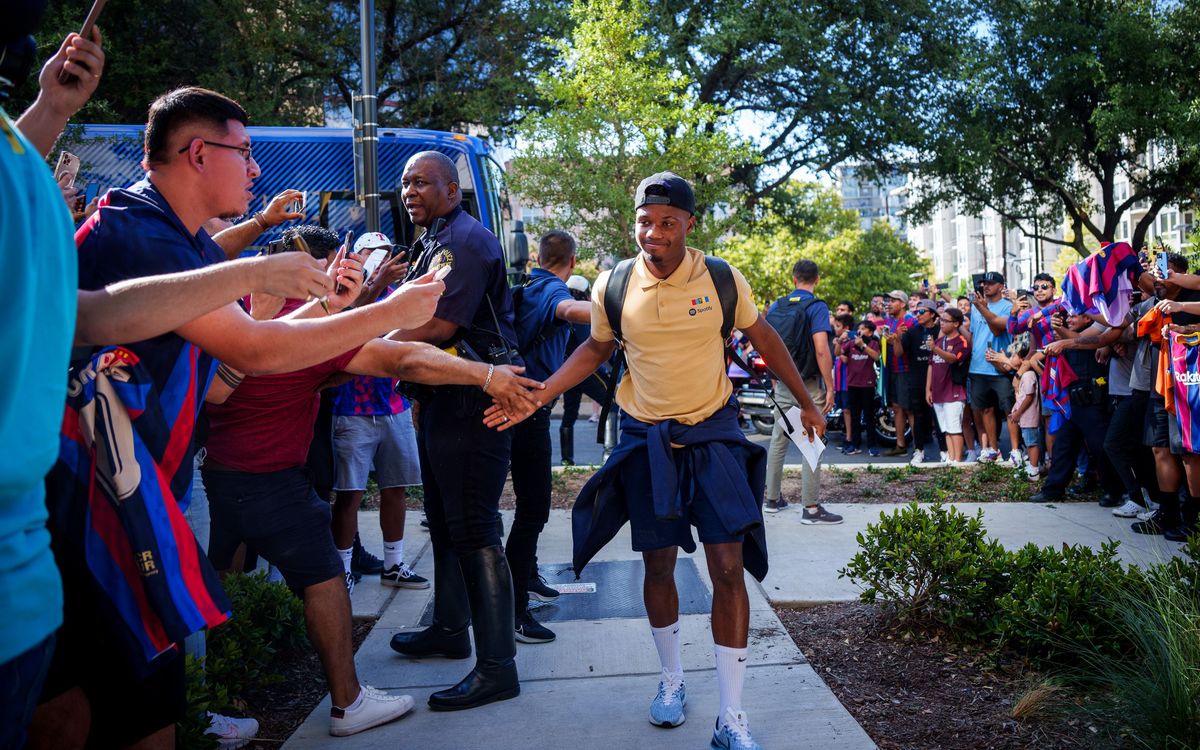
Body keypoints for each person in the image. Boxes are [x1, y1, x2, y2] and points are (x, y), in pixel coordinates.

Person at [36, 86, 448, 749]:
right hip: (98, 509)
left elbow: (244, 359)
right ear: (199, 153)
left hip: (127, 496)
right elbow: (255, 349)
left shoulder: (170, 233)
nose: (257, 170)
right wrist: (390, 311)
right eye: (246, 152)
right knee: (97, 714)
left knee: (118, 707)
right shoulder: (141, 232)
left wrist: (329, 305)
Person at [485, 172, 825, 750]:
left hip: (713, 433)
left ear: (689, 224)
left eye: (668, 222)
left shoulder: (720, 278)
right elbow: (596, 347)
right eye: (646, 221)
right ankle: (671, 680)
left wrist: (808, 403)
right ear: (635, 222)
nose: (655, 232)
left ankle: (732, 715)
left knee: (728, 568)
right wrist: (541, 395)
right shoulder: (615, 283)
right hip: (646, 437)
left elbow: (764, 337)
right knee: (658, 565)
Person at [386, 151, 528, 712]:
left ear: (452, 190)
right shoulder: (434, 239)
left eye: (421, 182)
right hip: (444, 398)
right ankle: (449, 629)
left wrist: (360, 338)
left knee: (473, 527)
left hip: (475, 401)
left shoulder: (462, 242)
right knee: (445, 522)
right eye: (405, 183)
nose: (409, 191)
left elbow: (438, 325)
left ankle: (498, 667)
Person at [504, 230, 592, 644]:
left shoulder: (527, 285)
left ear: (536, 258)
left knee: (529, 504)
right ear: (572, 262)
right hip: (528, 410)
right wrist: (621, 309)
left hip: (517, 405)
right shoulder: (553, 290)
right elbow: (570, 310)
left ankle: (526, 576)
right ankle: (514, 608)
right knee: (534, 508)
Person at [328, 232, 428, 592]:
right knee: (349, 493)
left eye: (387, 255)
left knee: (395, 487)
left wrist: (415, 403)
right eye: (373, 255)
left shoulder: (397, 296)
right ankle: (342, 570)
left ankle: (393, 564)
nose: (382, 261)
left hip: (394, 407)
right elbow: (348, 323)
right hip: (351, 410)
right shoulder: (341, 295)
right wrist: (375, 284)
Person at [762, 260, 838, 521]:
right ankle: (811, 508)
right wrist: (830, 385)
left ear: (794, 279)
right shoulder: (817, 307)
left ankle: (772, 499)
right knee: (812, 439)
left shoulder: (777, 306)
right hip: (808, 384)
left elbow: (767, 345)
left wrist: (775, 376)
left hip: (784, 381)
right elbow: (821, 349)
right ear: (817, 279)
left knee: (778, 439)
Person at [559, 274, 611, 467]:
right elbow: (591, 348)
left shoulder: (564, 312)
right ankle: (609, 453)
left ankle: (566, 459)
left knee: (569, 413)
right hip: (586, 370)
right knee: (612, 405)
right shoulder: (582, 313)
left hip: (568, 370)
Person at [967, 272, 1015, 462]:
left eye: (991, 283)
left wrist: (982, 307)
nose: (986, 286)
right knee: (985, 410)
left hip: (1000, 366)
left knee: (1009, 410)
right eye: (984, 283)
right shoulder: (975, 307)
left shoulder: (1008, 307)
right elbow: (974, 334)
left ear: (1001, 286)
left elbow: (997, 329)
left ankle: (1015, 450)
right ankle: (994, 450)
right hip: (978, 366)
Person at [894, 300, 942, 464]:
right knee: (918, 416)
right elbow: (898, 353)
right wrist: (897, 338)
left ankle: (945, 451)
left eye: (921, 312)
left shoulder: (940, 331)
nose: (918, 315)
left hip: (939, 379)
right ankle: (919, 451)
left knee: (939, 417)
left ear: (932, 314)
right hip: (916, 379)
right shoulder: (912, 332)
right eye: (916, 312)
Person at [926, 307, 970, 462]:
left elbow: (953, 359)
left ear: (956, 324)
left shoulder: (961, 342)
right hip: (938, 393)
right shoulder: (939, 341)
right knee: (946, 429)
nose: (942, 323)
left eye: (945, 321)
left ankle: (957, 461)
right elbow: (931, 365)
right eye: (941, 320)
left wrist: (935, 349)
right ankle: (951, 460)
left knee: (954, 429)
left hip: (954, 392)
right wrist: (928, 390)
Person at [880, 290, 917, 456]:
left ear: (902, 304)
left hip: (906, 370)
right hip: (891, 369)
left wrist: (897, 339)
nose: (889, 304)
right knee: (896, 407)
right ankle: (900, 445)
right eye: (889, 300)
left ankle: (918, 448)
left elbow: (909, 347)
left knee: (909, 409)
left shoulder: (910, 321)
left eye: (893, 301)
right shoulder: (890, 321)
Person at [840, 320, 881, 455]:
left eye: (863, 328)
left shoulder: (873, 343)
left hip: (867, 384)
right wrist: (839, 341)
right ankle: (855, 444)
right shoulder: (851, 343)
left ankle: (871, 446)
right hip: (852, 384)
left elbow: (876, 357)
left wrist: (862, 345)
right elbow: (838, 352)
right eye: (859, 328)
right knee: (855, 416)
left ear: (870, 332)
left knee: (869, 416)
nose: (860, 331)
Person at [1009, 344, 1044, 479]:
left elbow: (1029, 397)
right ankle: (1032, 466)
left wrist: (1018, 413)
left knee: (1032, 443)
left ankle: (1034, 470)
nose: (1011, 358)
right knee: (1029, 442)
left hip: (1029, 417)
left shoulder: (1028, 375)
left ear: (1023, 360)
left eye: (1014, 356)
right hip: (1024, 417)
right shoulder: (1024, 375)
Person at [831, 313, 855, 450]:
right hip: (840, 381)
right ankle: (847, 435)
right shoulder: (840, 341)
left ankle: (849, 438)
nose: (835, 328)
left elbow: (845, 359)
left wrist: (839, 344)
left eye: (838, 326)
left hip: (848, 381)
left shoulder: (851, 341)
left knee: (847, 410)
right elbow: (836, 355)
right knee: (843, 409)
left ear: (846, 328)